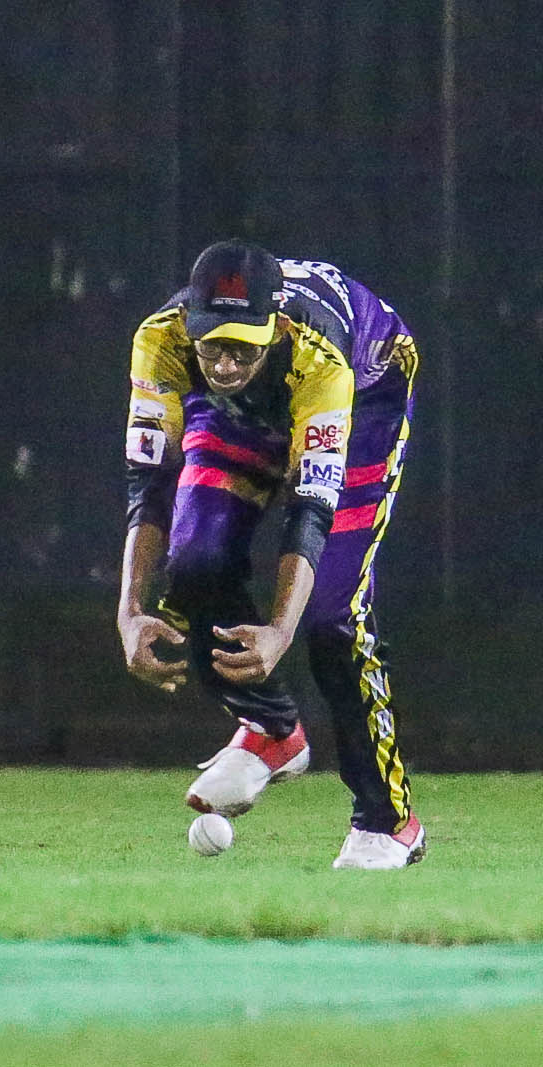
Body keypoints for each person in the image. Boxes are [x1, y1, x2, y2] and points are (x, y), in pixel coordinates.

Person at [115, 239, 424, 870]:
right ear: (189, 323)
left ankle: (388, 822)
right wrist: (129, 611)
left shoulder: (319, 356)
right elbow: (149, 482)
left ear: (275, 325)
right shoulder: (161, 339)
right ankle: (271, 730)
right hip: (238, 416)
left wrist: (280, 631)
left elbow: (311, 507)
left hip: (367, 398)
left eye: (243, 347)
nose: (226, 364)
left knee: (331, 617)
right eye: (212, 346)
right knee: (196, 559)